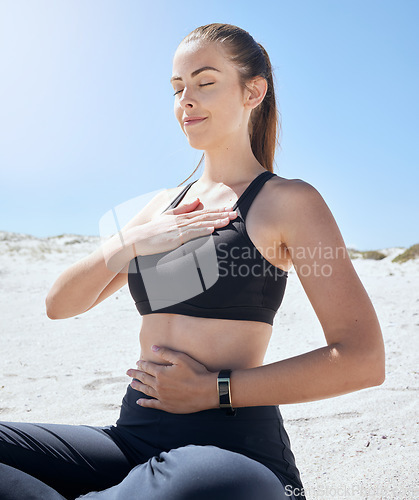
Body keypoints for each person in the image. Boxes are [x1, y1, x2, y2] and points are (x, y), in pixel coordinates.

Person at [0, 23, 385, 500]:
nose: (185, 100)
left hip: (228, 450)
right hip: (132, 437)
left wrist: (214, 391)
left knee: (192, 484)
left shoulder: (289, 201)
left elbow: (362, 359)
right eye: (177, 87)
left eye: (204, 82)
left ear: (253, 92)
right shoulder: (161, 206)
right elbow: (59, 304)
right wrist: (135, 238)